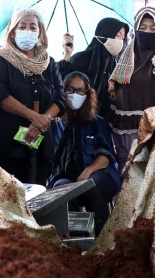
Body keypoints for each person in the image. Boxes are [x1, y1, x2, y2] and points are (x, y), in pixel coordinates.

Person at [0, 8, 65, 185]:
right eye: (22, 26)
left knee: (37, 194)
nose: (27, 31)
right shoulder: (1, 59)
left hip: (41, 141)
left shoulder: (48, 62)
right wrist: (34, 117)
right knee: (9, 195)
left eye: (32, 27)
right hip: (7, 144)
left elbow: (60, 96)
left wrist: (43, 121)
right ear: (13, 32)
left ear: (39, 31)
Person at [49, 71, 121, 236]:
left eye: (81, 90)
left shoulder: (97, 122)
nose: (76, 94)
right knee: (61, 191)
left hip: (99, 173)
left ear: (88, 94)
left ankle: (103, 237)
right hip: (66, 174)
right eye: (71, 90)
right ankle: (72, 242)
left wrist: (88, 171)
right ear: (63, 91)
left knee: (91, 186)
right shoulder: (56, 123)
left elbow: (106, 156)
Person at [108, 7, 155, 169]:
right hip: (124, 129)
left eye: (154, 28)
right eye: (142, 28)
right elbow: (113, 89)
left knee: (150, 176)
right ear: (136, 29)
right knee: (126, 175)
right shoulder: (125, 56)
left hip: (154, 131)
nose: (148, 32)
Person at [58, 18, 128, 118]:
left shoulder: (114, 63)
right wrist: (67, 55)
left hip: (101, 122)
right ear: (105, 33)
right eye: (117, 35)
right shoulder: (80, 59)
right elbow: (62, 84)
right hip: (78, 119)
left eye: (123, 37)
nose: (120, 41)